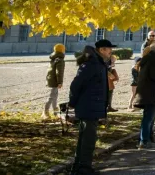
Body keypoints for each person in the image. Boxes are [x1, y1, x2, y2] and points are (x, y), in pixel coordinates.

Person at [68, 39, 114, 174]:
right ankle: (83, 168)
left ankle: (79, 167)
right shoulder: (92, 64)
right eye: (108, 49)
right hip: (88, 107)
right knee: (88, 139)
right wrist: (72, 103)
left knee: (86, 138)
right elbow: (76, 85)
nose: (111, 51)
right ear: (101, 50)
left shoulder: (99, 63)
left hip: (92, 106)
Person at [135, 40, 155, 148]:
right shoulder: (154, 59)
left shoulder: (148, 58)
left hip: (146, 91)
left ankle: (145, 138)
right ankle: (144, 140)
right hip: (151, 92)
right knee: (149, 117)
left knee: (148, 117)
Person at [43, 43, 66, 119]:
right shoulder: (60, 60)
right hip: (55, 80)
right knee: (51, 97)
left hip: (50, 79)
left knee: (54, 96)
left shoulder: (54, 58)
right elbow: (59, 72)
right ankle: (45, 112)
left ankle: (55, 112)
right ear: (62, 51)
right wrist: (60, 82)